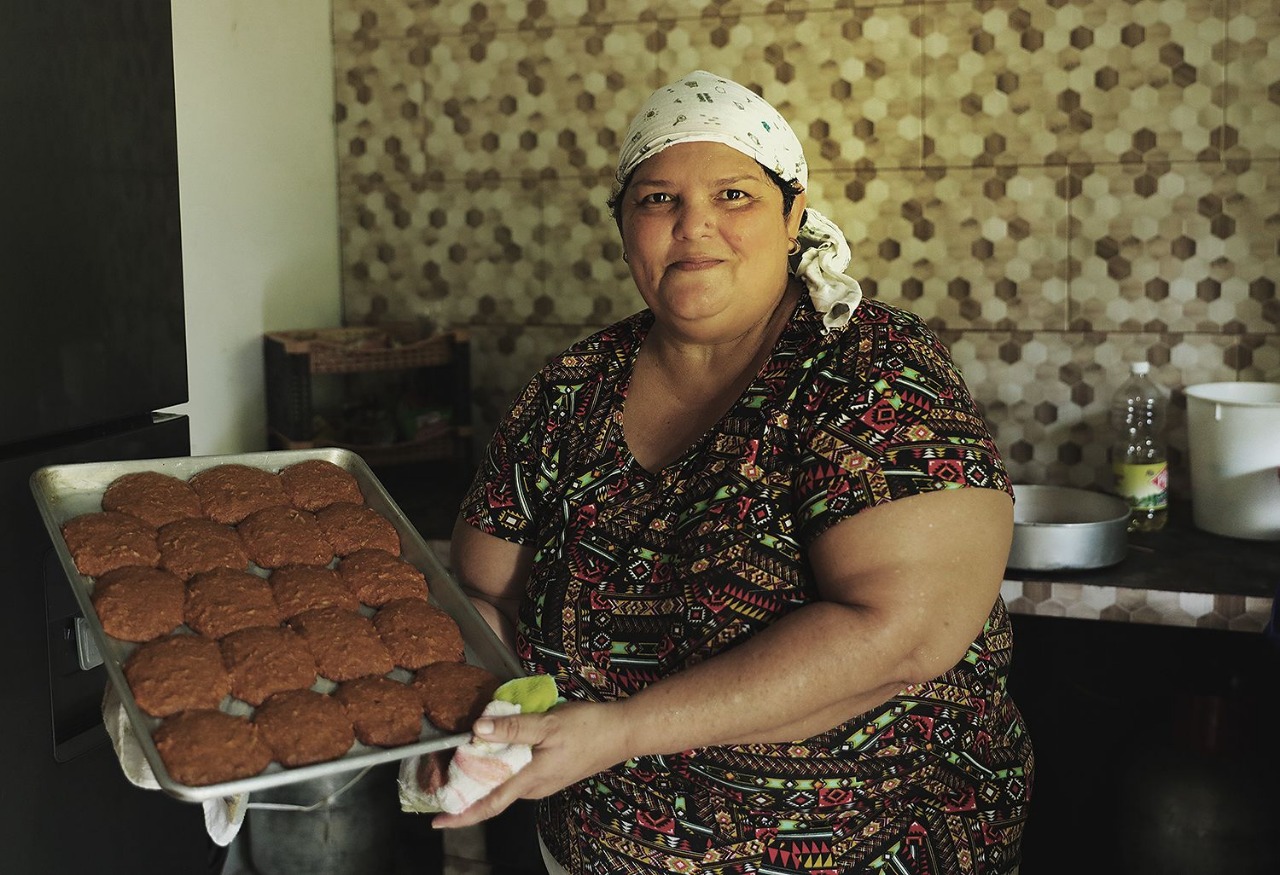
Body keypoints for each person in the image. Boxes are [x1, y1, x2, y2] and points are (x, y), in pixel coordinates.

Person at [434, 70, 1033, 874]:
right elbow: (486, 600)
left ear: (794, 218)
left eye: (734, 195)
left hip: (870, 846)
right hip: (596, 850)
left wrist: (622, 730)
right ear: (623, 228)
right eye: (657, 200)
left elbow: (900, 635)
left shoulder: (871, 370)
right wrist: (455, 717)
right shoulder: (570, 389)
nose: (694, 227)